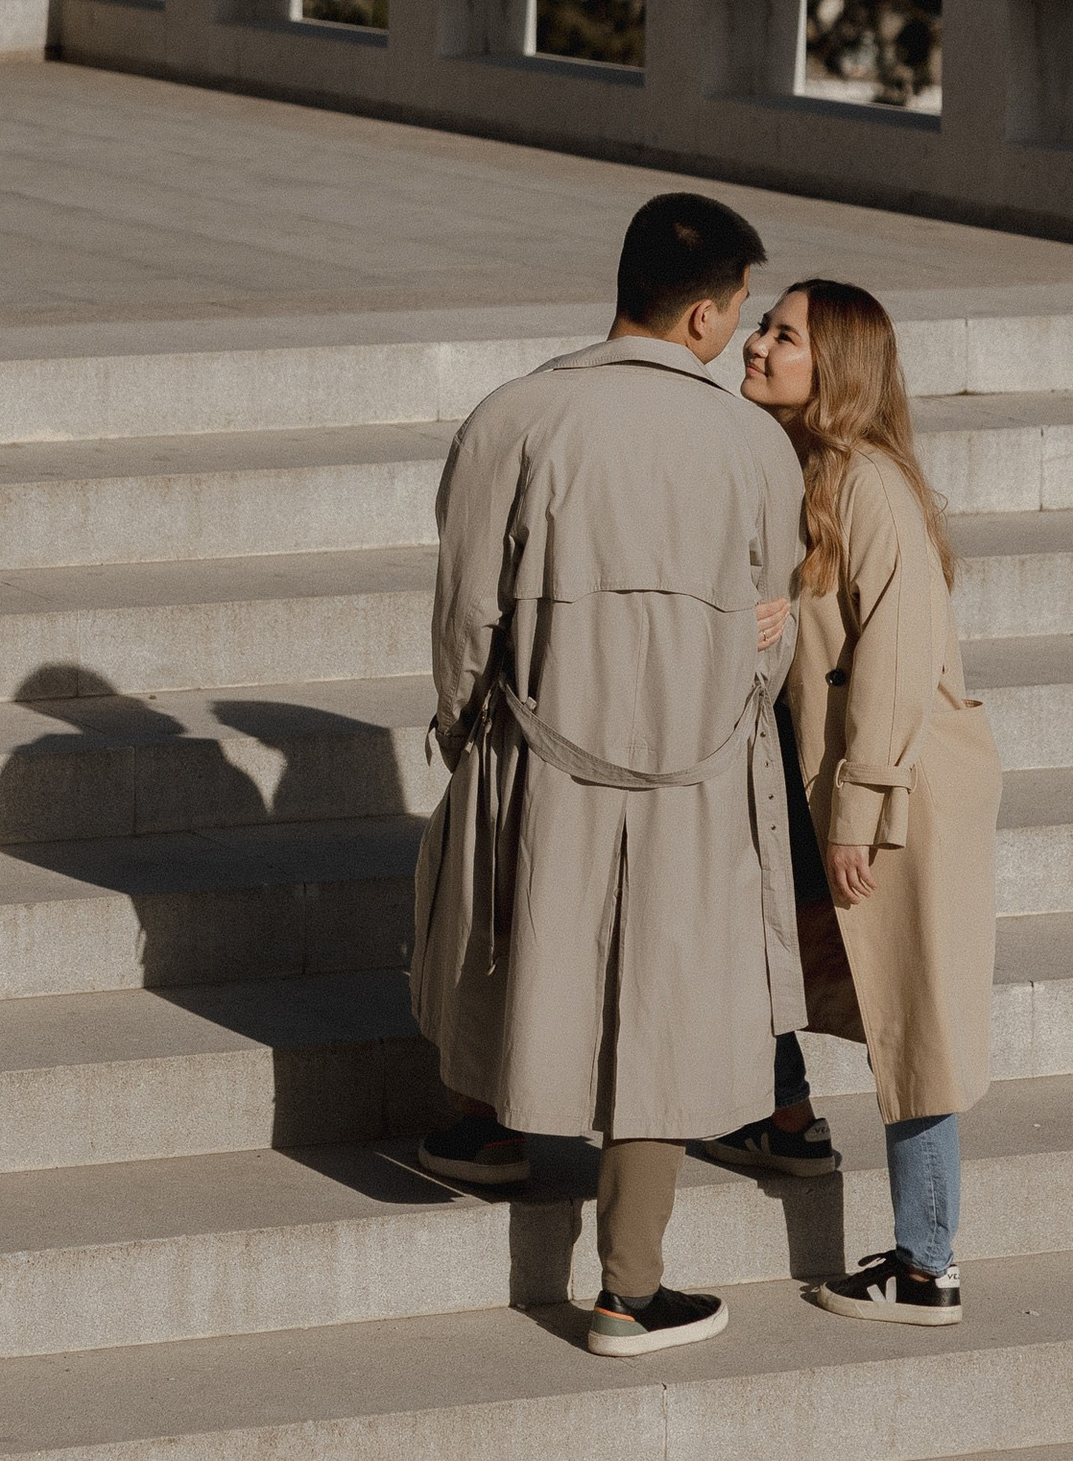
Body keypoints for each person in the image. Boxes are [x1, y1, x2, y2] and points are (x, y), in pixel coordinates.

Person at [410, 192, 810, 1357]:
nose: (738, 335)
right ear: (702, 315)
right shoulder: (750, 442)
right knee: (663, 1006)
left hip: (538, 750)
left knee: (510, 930)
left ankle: (481, 1128)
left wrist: (465, 739)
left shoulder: (514, 418)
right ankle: (628, 1286)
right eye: (738, 315)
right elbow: (769, 625)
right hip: (692, 774)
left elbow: (461, 618)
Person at [741, 279, 1001, 1325]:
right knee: (748, 932)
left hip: (897, 785)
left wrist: (858, 809)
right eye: (762, 326)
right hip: (845, 770)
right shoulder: (808, 470)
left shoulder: (868, 483)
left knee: (914, 1018)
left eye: (784, 335)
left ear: (834, 367)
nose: (759, 344)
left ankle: (926, 1262)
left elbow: (893, 654)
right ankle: (779, 1110)